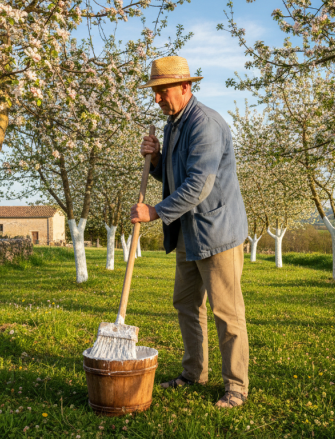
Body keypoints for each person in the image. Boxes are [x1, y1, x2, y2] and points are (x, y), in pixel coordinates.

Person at [130, 56, 250, 409]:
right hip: (188, 233)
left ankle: (236, 387)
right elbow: (174, 179)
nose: (157, 99)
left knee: (226, 313)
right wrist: (155, 161)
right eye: (154, 92)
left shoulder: (205, 124)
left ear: (185, 87)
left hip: (216, 232)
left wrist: (155, 212)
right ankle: (194, 372)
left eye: (162, 91)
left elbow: (199, 184)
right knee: (185, 303)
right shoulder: (173, 124)